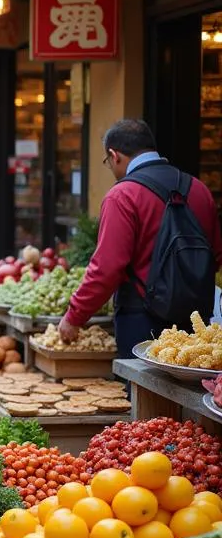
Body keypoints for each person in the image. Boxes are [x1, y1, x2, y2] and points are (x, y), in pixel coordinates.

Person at [58, 119, 222, 360]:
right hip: (195, 325)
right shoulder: (198, 189)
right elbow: (215, 255)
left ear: (114, 156)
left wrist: (74, 316)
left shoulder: (122, 195)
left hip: (142, 322)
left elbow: (106, 269)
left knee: (138, 394)